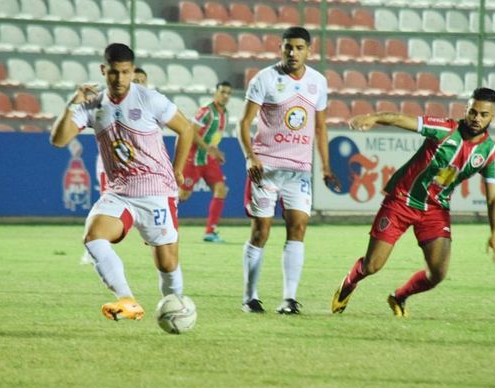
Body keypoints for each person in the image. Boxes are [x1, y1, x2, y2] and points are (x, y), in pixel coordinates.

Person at [51, 43, 193, 321]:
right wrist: (73, 102)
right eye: (114, 73)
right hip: (120, 192)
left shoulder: (149, 99)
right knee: (93, 236)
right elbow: (58, 140)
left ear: (132, 71)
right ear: (104, 70)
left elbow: (186, 128)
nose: (119, 79)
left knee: (167, 263)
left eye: (125, 72)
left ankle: (177, 311)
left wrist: (178, 169)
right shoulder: (92, 104)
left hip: (156, 190)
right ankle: (127, 301)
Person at [331, 87, 495, 317]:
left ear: (493, 117)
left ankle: (399, 296)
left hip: (436, 209)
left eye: (483, 114)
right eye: (473, 112)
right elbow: (402, 118)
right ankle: (349, 282)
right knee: (372, 265)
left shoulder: (489, 152)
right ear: (466, 110)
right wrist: (373, 118)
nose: (476, 118)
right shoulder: (445, 130)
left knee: (438, 273)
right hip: (402, 200)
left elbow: (493, 197)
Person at [239, 26, 340, 314]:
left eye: (298, 47)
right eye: (288, 47)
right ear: (280, 48)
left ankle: (289, 298)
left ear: (309, 50)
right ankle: (250, 297)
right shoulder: (265, 79)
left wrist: (325, 166)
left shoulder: (318, 82)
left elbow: (320, 127)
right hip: (266, 167)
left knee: (298, 228)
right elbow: (243, 123)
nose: (293, 53)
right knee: (261, 232)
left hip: (299, 170)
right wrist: (250, 157)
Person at [79, 66, 150, 265]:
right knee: (108, 202)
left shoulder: (149, 105)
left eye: (142, 80)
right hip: (111, 166)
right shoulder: (112, 104)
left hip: (139, 167)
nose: (138, 83)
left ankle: (152, 234)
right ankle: (95, 245)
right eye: (135, 80)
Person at [179, 81, 232, 243]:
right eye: (222, 92)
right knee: (183, 195)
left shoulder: (225, 113)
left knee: (221, 189)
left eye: (228, 93)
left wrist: (215, 151)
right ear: (215, 93)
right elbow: (191, 132)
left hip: (208, 159)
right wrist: (208, 148)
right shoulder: (206, 111)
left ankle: (210, 231)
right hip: (194, 157)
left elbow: (213, 138)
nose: (225, 96)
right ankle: (155, 220)